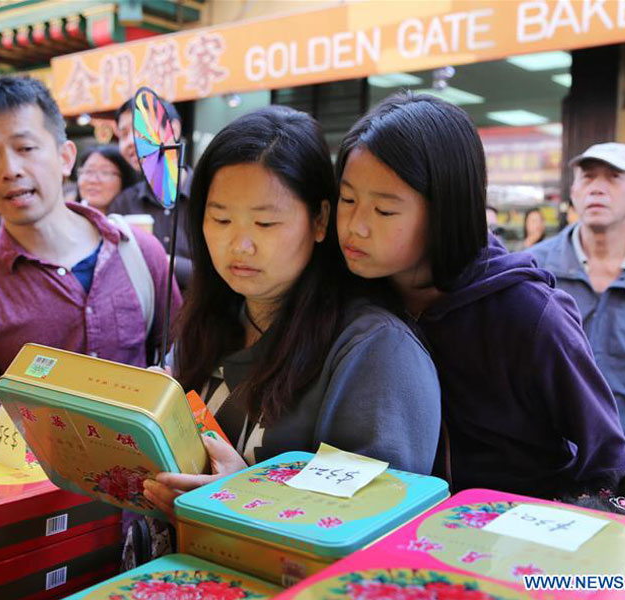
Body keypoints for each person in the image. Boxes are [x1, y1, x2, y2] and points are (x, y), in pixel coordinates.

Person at [142, 106, 441, 520]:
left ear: (320, 220)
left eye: (265, 224)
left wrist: (242, 496)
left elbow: (373, 517)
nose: (239, 245)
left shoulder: (375, 351)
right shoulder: (209, 320)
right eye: (221, 219)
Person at [335, 93, 625, 498]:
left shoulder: (528, 314)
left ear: (447, 209)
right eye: (347, 199)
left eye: (384, 210)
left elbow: (605, 458)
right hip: (384, 525)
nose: (355, 226)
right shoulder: (349, 298)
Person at [0, 75, 180, 445]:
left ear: (65, 157)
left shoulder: (141, 254)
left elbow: (187, 369)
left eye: (25, 148)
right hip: (33, 485)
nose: (10, 169)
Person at [528, 143, 625, 471]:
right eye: (588, 177)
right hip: (549, 464)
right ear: (574, 191)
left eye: (613, 177)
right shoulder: (532, 268)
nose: (597, 187)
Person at [111, 99, 193, 288]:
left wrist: (160, 261)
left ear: (173, 129)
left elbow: (222, 276)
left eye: (141, 129)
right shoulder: (124, 203)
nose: (130, 142)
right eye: (123, 134)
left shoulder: (209, 194)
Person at [77, 145, 136, 214]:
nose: (93, 180)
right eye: (88, 171)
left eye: (105, 172)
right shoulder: (68, 217)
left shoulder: (139, 218)